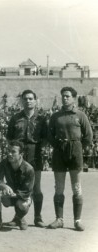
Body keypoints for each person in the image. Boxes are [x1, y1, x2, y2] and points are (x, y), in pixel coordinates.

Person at [47, 87, 93, 231]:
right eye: (63, 96)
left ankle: (77, 220)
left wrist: (78, 147)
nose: (64, 98)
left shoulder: (81, 115)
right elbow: (50, 135)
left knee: (76, 187)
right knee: (59, 187)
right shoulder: (55, 116)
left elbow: (88, 136)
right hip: (59, 151)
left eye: (67, 96)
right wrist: (59, 145)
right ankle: (59, 219)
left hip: (75, 151)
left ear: (73, 98)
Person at [7, 89, 47, 227]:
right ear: (22, 101)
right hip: (18, 156)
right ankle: (18, 217)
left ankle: (38, 217)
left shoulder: (42, 119)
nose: (28, 101)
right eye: (25, 99)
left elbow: (45, 138)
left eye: (31, 98)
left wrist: (40, 149)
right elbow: (9, 138)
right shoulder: (15, 118)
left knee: (36, 188)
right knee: (18, 187)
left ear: (35, 101)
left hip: (35, 154)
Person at [0, 140, 35, 231]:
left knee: (23, 205)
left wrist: (15, 194)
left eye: (13, 152)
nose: (9, 154)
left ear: (21, 154)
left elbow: (27, 191)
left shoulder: (29, 169)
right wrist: (4, 186)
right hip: (9, 194)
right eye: (8, 151)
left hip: (22, 196)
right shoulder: (4, 163)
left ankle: (19, 217)